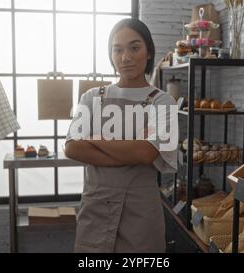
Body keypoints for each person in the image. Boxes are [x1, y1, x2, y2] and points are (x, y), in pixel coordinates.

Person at [64, 18, 178, 253]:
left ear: (148, 52)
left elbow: (146, 153)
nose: (125, 57)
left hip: (141, 215)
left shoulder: (162, 101)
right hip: (96, 210)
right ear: (111, 54)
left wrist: (95, 139)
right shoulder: (92, 97)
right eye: (117, 49)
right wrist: (131, 151)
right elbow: (73, 147)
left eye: (134, 48)